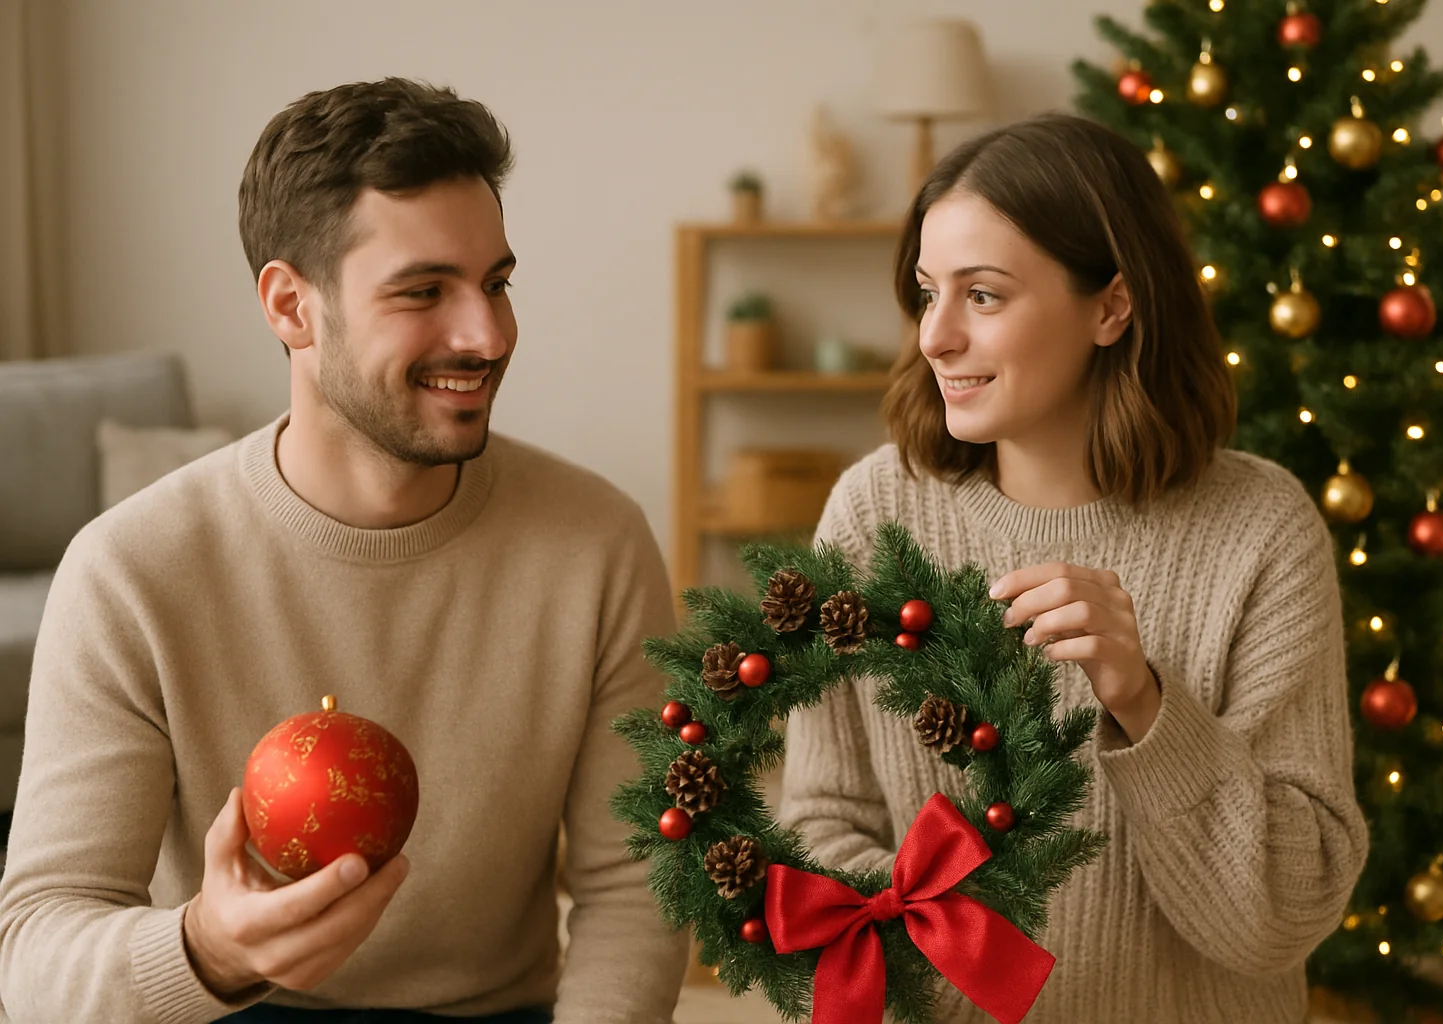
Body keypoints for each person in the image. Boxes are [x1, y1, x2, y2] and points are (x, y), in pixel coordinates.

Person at [0, 78, 686, 1023]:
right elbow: (35, 958)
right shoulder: (131, 571)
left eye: (496, 283)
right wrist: (208, 950)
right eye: (424, 291)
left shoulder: (597, 543)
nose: (488, 334)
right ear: (291, 306)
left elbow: (633, 888)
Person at [780, 112, 1369, 1023]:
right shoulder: (873, 514)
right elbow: (822, 828)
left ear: (1111, 307)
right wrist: (978, 966)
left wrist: (1144, 702)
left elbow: (1281, 920)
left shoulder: (1262, 529)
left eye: (983, 296)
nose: (935, 336)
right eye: (928, 292)